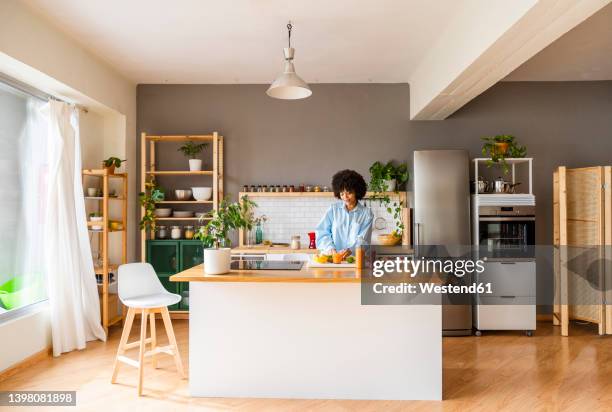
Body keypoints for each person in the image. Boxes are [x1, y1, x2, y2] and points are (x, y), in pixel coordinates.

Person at [315, 169, 373, 256]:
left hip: (355, 259)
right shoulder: (333, 210)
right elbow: (322, 232)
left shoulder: (367, 214)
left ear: (357, 191)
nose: (345, 197)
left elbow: (364, 239)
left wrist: (351, 250)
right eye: (342, 194)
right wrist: (330, 248)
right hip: (333, 259)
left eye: (349, 193)